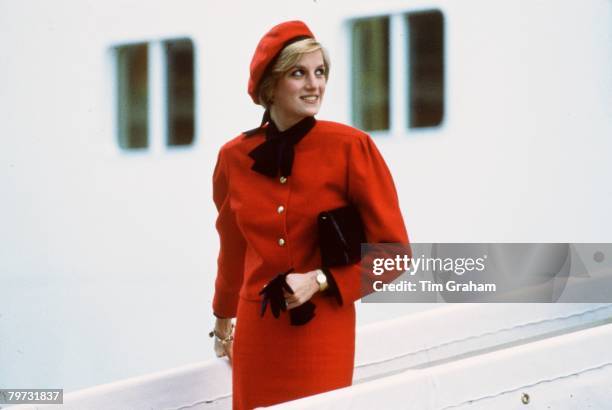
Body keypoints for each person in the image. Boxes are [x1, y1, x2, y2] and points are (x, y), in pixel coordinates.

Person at [209, 20, 409, 409]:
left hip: (323, 334)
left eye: (320, 73)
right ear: (270, 86)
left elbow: (396, 254)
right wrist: (221, 323)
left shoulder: (352, 148)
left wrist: (319, 280)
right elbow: (232, 253)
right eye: (298, 73)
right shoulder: (233, 158)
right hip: (257, 336)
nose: (314, 85)